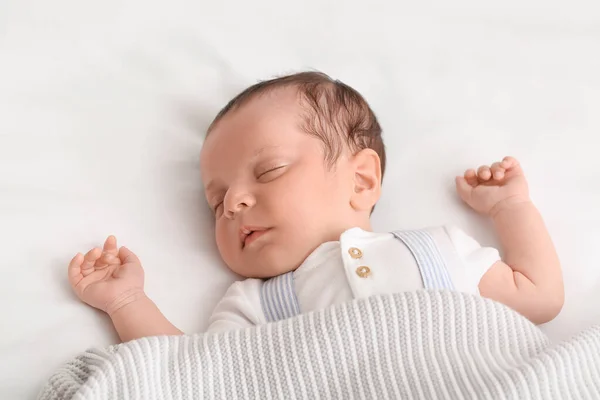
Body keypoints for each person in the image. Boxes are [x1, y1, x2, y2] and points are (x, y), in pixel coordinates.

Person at [67, 72, 564, 342]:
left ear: (361, 180)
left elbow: (539, 297)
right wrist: (127, 303)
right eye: (216, 202)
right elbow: (195, 374)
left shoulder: (435, 248)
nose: (234, 203)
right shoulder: (254, 305)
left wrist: (510, 207)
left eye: (269, 172)